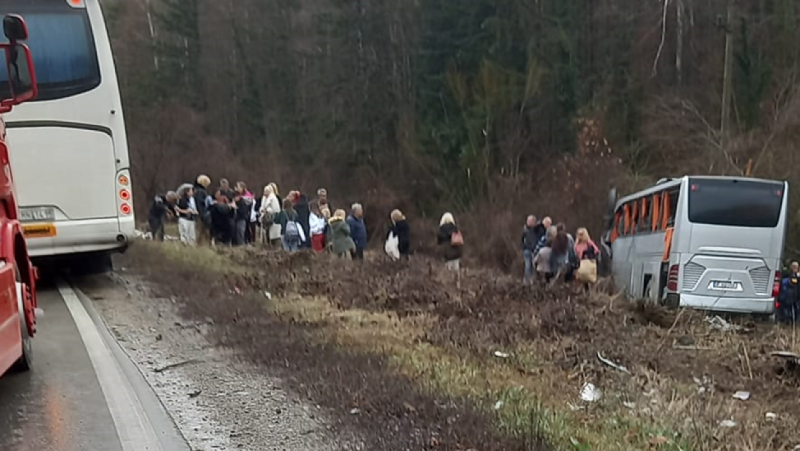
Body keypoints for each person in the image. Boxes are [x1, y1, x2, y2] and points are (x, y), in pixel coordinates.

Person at [522, 215, 539, 283]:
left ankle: (532, 280)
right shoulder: (525, 230)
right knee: (528, 265)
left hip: (534, 250)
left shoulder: (536, 229)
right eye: (527, 221)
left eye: (529, 221)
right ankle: (527, 280)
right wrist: (524, 246)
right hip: (527, 249)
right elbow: (522, 239)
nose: (528, 222)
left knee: (533, 266)